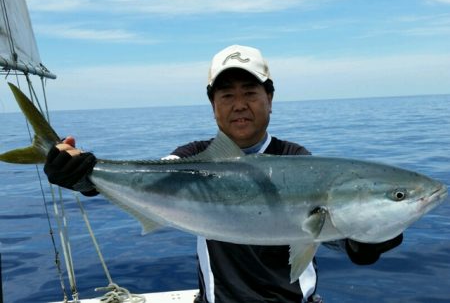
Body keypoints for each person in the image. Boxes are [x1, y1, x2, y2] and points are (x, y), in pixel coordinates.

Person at [44, 45, 403, 303]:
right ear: (213, 104)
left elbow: (334, 234)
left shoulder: (296, 160)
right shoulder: (193, 157)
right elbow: (151, 178)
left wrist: (368, 240)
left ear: (270, 98)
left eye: (250, 92)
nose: (239, 104)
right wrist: (82, 176)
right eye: (227, 94)